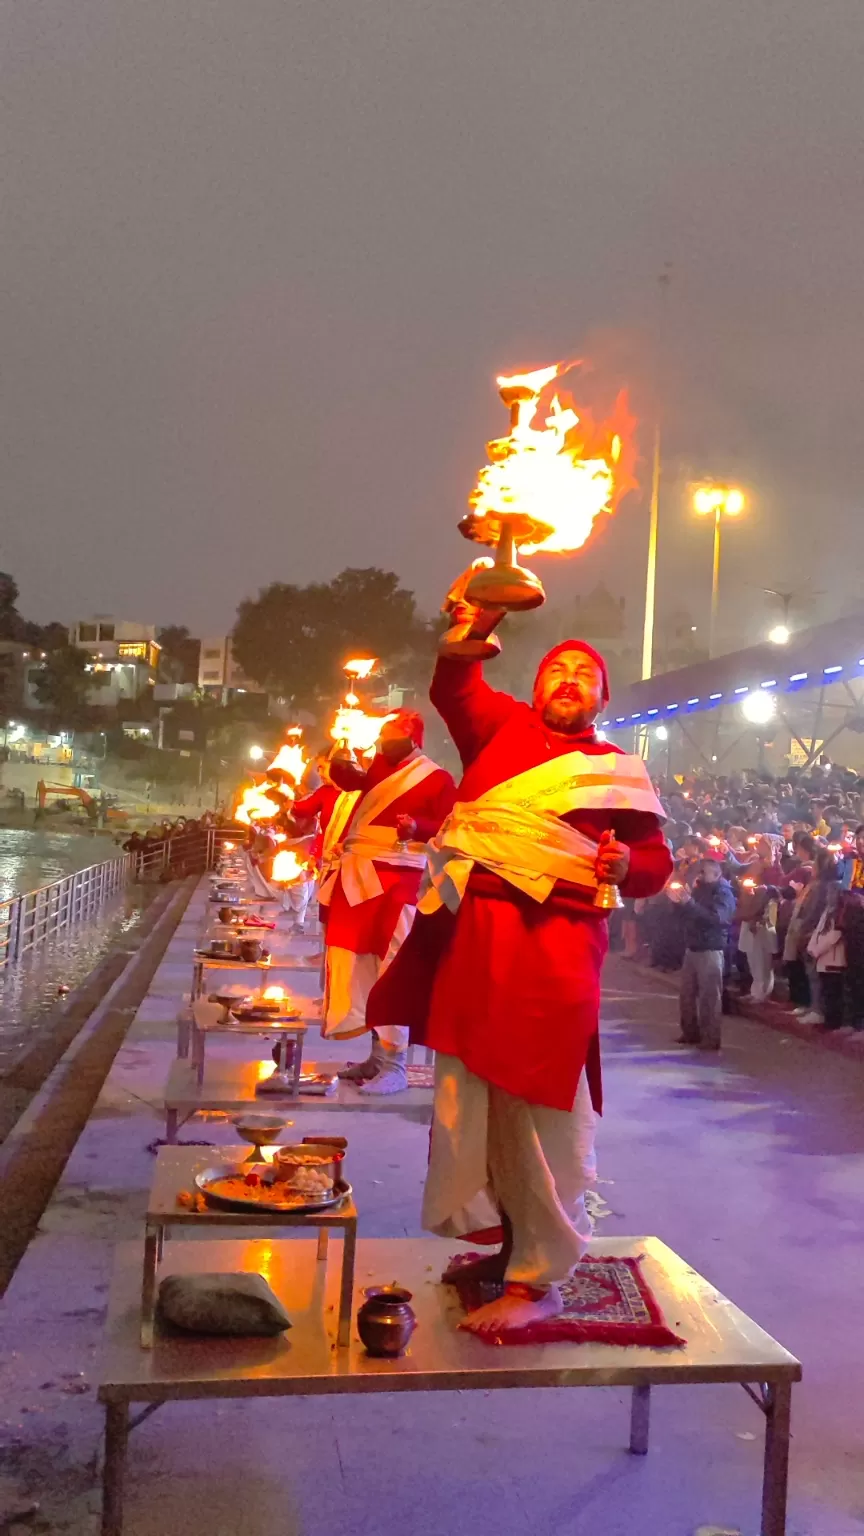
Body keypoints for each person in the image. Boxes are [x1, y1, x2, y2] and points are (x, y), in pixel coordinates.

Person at [367, 598, 671, 1335]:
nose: (568, 679)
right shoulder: (499, 730)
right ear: (535, 691)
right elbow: (454, 689)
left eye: (584, 674)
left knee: (543, 1112)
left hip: (555, 957)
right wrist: (483, 615)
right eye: (556, 670)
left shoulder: (618, 772)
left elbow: (655, 863)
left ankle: (541, 1280)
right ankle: (507, 1246)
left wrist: (627, 861)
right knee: (472, 1106)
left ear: (601, 698)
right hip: (474, 949)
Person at [321, 709, 455, 1095]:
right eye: (382, 732)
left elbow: (451, 825)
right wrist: (341, 751)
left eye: (392, 731)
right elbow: (348, 781)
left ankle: (396, 1065)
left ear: (413, 736)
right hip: (357, 880)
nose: (384, 738)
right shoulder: (375, 768)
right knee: (357, 966)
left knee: (392, 968)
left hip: (401, 883)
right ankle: (375, 1058)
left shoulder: (436, 778)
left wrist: (418, 828)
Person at [677, 859, 736, 1050]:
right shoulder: (700, 889)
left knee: (709, 997)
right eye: (699, 872)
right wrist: (679, 903)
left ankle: (710, 1038)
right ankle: (690, 1032)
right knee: (686, 994)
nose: (700, 875)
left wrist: (690, 904)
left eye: (704, 872)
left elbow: (717, 918)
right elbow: (690, 913)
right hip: (693, 946)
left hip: (710, 948)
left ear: (717, 874)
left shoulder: (723, 893)